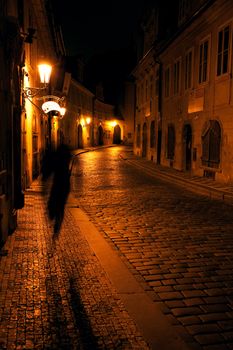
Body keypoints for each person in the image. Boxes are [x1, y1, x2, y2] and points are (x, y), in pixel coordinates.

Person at [46, 142, 72, 236]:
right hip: (65, 184)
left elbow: (49, 170)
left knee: (54, 201)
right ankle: (57, 221)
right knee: (61, 205)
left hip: (58, 183)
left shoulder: (57, 159)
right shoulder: (67, 159)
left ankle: (54, 216)